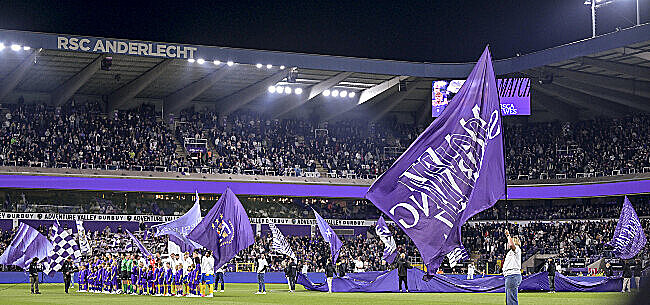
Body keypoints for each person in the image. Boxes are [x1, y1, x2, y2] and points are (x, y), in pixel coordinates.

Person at [503, 230, 522, 305]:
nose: (508, 243)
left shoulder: (516, 248)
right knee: (510, 298)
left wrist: (508, 235)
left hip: (512, 275)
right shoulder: (511, 252)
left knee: (511, 300)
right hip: (511, 275)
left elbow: (511, 245)